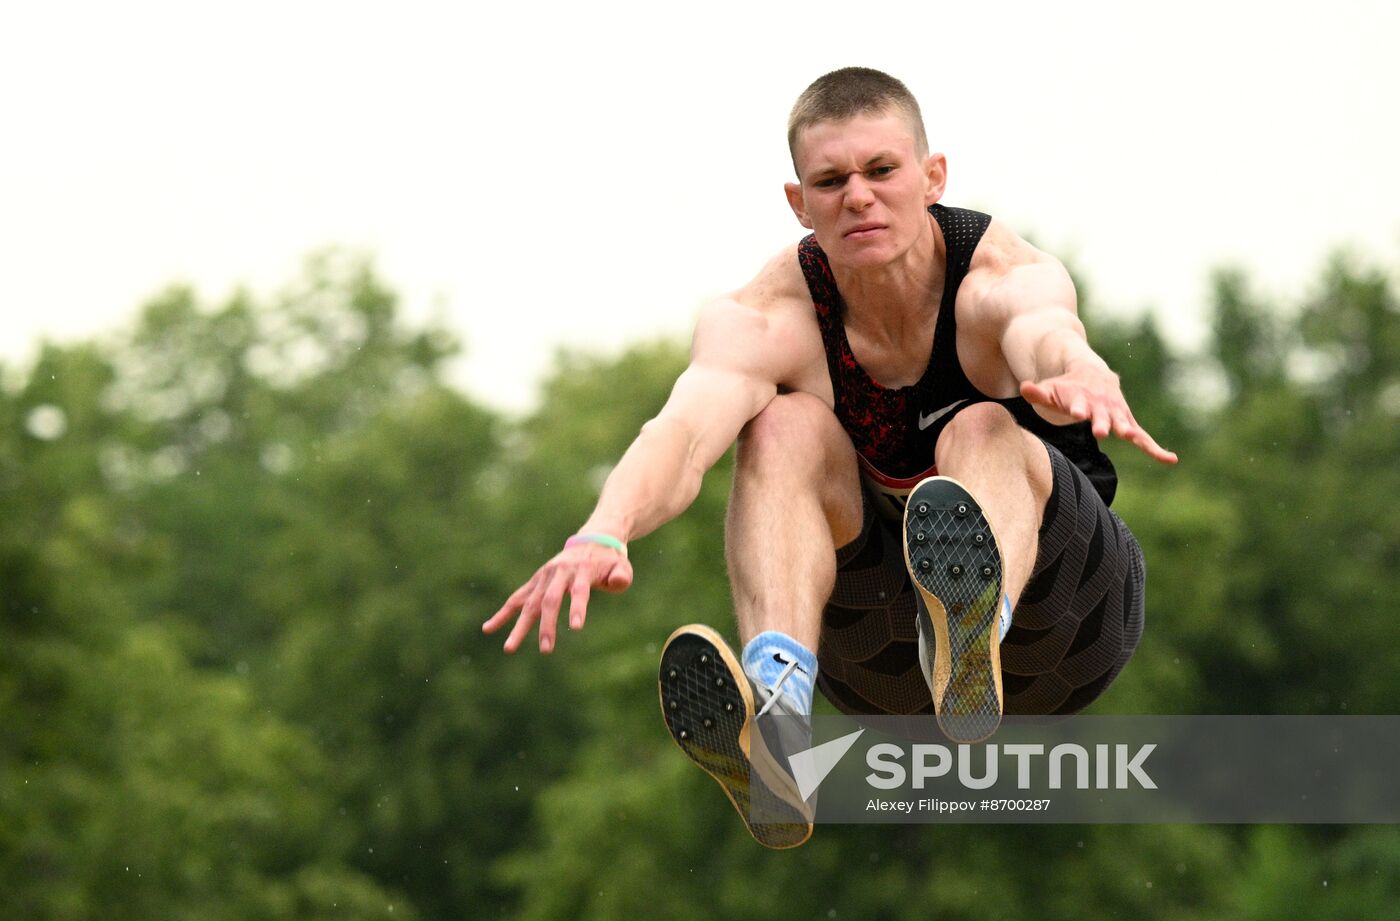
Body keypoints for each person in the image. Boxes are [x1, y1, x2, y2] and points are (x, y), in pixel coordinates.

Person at [484, 67, 1177, 849]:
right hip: (882, 669)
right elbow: (681, 433)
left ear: (931, 176)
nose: (858, 196)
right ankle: (781, 726)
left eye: (882, 170)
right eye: (831, 179)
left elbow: (1042, 327)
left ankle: (974, 625)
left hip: (1068, 624)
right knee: (779, 427)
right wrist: (601, 532)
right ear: (798, 201)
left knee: (979, 428)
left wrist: (1080, 369)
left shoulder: (996, 278)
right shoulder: (768, 316)